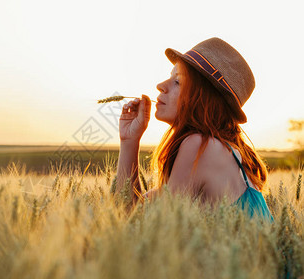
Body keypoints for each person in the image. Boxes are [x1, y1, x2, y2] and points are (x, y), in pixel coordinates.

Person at [115, 37, 274, 222]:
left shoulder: (201, 147)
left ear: (204, 97)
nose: (160, 86)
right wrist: (129, 141)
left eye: (177, 82)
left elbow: (145, 225)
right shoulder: (221, 149)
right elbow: (131, 212)